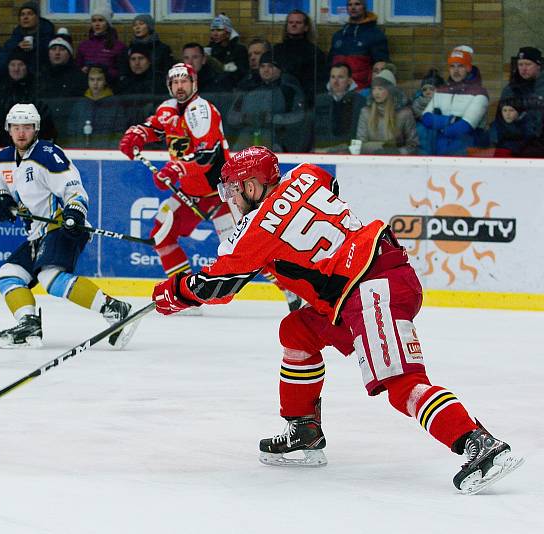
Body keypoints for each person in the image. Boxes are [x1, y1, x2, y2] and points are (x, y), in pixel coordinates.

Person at [151, 146, 523, 494]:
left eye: (235, 189)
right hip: (363, 284)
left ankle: (478, 442)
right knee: (297, 330)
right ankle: (304, 430)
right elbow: (328, 193)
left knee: (402, 383)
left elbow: (217, 286)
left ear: (252, 184)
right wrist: (286, 259)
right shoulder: (308, 174)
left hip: (371, 287)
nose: (231, 198)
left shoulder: (254, 232)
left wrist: (172, 292)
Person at [0, 103, 136, 349]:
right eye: (16, 127)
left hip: (62, 226)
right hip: (37, 234)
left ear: (36, 129)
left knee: (50, 277)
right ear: (9, 129)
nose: (21, 132)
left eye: (27, 127)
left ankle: (114, 308)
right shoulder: (4, 160)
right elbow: (2, 191)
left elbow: (74, 190)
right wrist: (0, 201)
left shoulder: (48, 154)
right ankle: (28, 323)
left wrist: (75, 212)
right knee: (8, 276)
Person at [118, 63, 233, 281]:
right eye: (175, 82)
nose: (180, 86)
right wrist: (137, 134)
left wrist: (175, 168)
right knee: (161, 235)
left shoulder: (201, 111)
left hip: (223, 193)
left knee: (241, 249)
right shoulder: (168, 108)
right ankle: (185, 292)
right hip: (191, 192)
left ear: (194, 83)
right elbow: (155, 127)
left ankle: (292, 294)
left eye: (184, 81)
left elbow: (206, 155)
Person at [420, 46, 489, 156]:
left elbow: (465, 127)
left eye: (460, 66)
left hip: (468, 153)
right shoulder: (442, 90)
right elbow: (426, 118)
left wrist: (440, 128)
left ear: (468, 68)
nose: (455, 70)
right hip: (440, 151)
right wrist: (451, 120)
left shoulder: (479, 93)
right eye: (452, 66)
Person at [328, 0, 389, 90]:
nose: (353, 7)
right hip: (338, 89)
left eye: (357, 4)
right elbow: (330, 64)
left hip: (362, 90)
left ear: (364, 7)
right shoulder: (338, 35)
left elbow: (381, 66)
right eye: (350, 5)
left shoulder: (375, 34)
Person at [355, 69, 418, 154]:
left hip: (396, 162)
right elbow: (360, 144)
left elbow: (413, 145)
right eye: (374, 89)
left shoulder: (405, 113)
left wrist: (396, 152)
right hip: (371, 161)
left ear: (391, 91)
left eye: (380, 89)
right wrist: (383, 147)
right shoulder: (365, 112)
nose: (376, 93)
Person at [272, 10, 326, 107]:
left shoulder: (314, 52)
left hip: (303, 99)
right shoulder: (277, 49)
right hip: (277, 98)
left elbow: (318, 82)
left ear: (306, 27)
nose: (294, 25)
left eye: (298, 23)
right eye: (291, 22)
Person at [0, 1, 55, 80]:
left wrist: (35, 47)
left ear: (37, 17)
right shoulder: (15, 39)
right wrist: (17, 48)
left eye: (30, 14)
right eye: (22, 14)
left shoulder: (48, 37)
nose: (25, 17)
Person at [313, 62, 366, 153]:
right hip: (321, 150)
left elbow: (359, 132)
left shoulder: (359, 101)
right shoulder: (319, 100)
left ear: (349, 80)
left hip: (347, 151)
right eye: (333, 77)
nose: (335, 81)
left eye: (340, 77)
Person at [75, 3, 126, 83]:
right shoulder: (83, 46)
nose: (97, 24)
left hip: (111, 86)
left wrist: (104, 72)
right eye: (94, 21)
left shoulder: (118, 46)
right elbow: (77, 68)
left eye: (100, 20)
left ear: (108, 23)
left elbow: (122, 71)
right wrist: (83, 71)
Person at [207, 14, 248, 87]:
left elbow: (241, 73)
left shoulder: (239, 50)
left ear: (228, 33)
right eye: (212, 30)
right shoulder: (208, 50)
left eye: (219, 30)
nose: (215, 34)